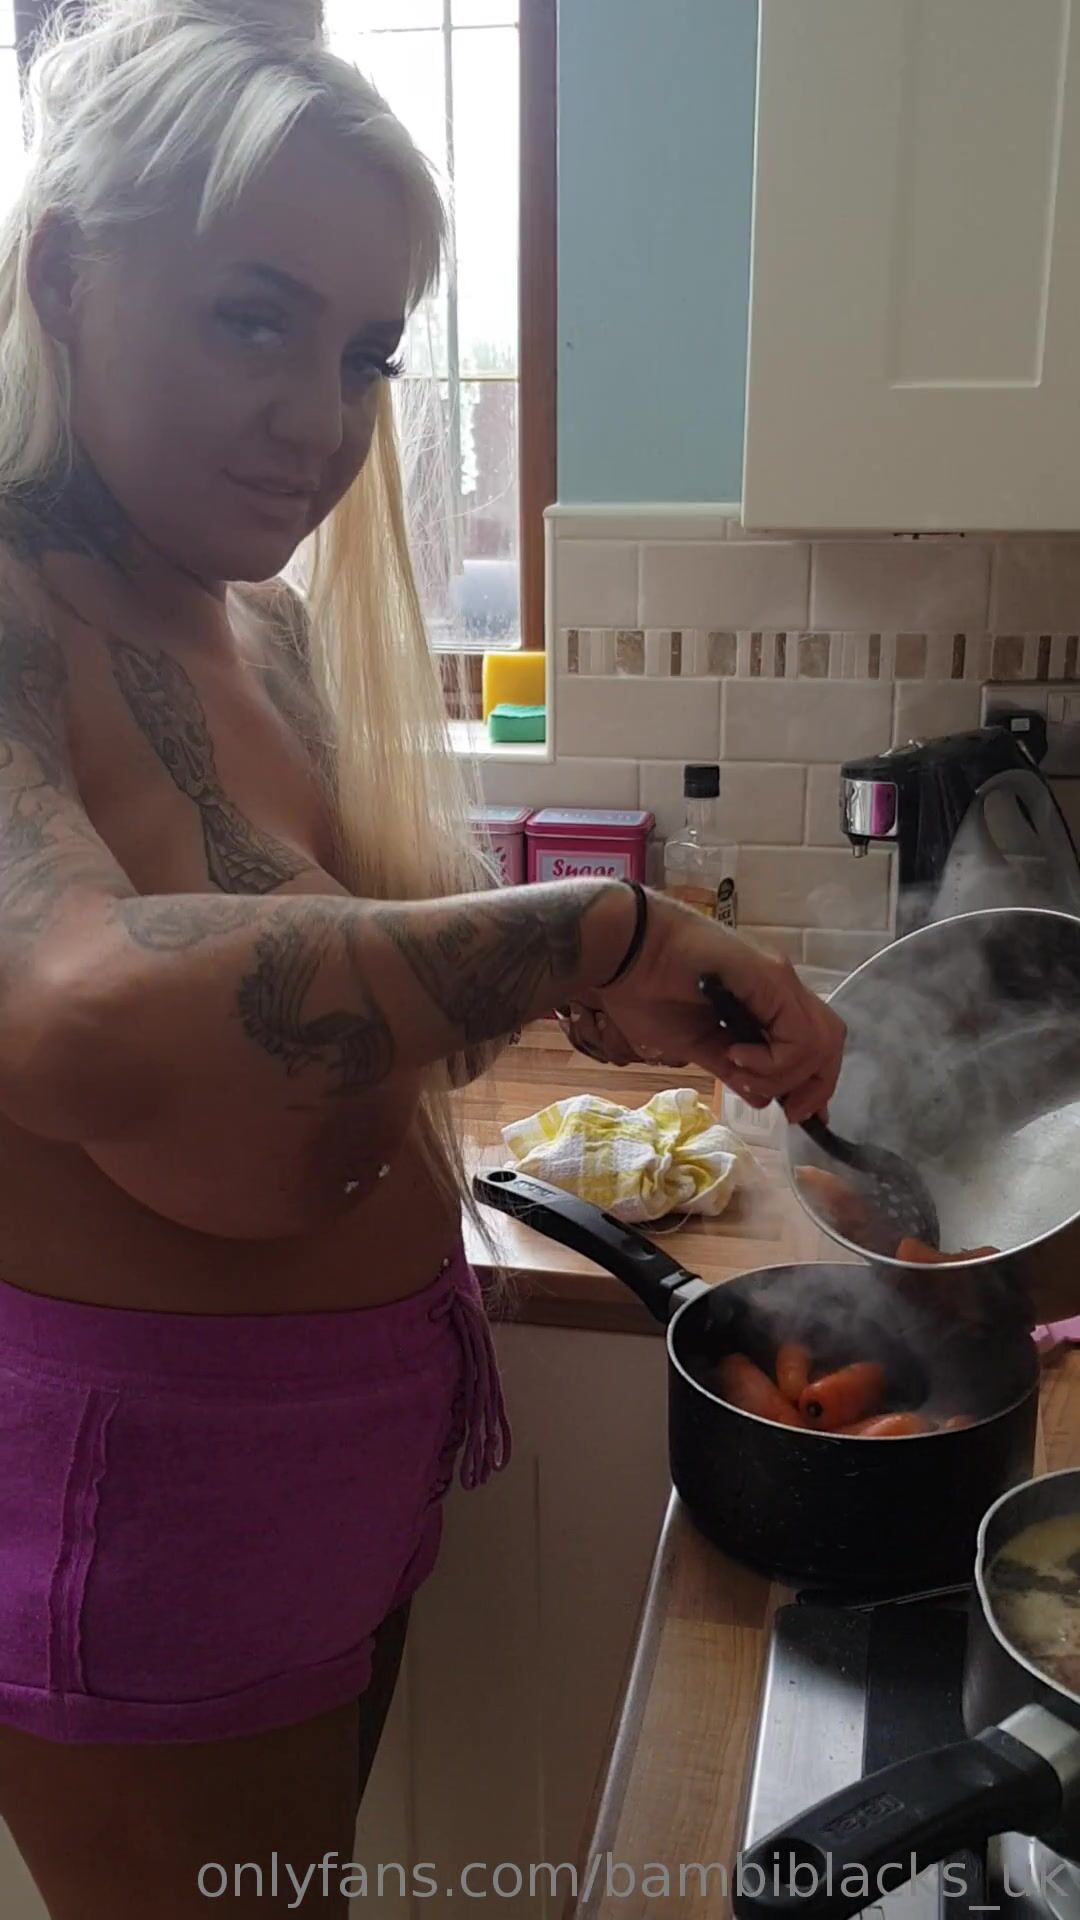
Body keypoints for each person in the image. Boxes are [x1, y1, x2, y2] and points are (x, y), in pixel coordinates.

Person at [0, 0, 845, 1912]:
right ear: (62, 277)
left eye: (367, 351)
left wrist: (569, 991)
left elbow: (316, 1022)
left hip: (356, 1455)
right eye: (255, 319)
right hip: (152, 1517)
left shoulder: (255, 625)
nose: (323, 419)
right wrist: (592, 925)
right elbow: (75, 1018)